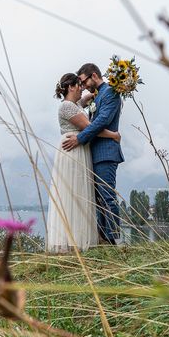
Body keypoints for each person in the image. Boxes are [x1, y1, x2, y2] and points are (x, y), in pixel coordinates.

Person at [46, 73, 121, 253]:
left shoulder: (74, 105)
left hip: (80, 150)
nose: (82, 88)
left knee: (82, 193)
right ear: (71, 87)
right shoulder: (67, 107)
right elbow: (89, 127)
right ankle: (73, 240)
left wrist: (109, 86)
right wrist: (113, 135)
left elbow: (90, 96)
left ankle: (85, 237)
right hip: (73, 150)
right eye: (79, 85)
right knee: (74, 193)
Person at [62, 63, 124, 245]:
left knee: (107, 196)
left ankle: (114, 239)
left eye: (83, 81)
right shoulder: (97, 95)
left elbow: (101, 121)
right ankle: (103, 238)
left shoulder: (111, 93)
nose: (83, 85)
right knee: (98, 200)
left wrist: (79, 139)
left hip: (106, 152)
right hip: (94, 153)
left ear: (94, 76)